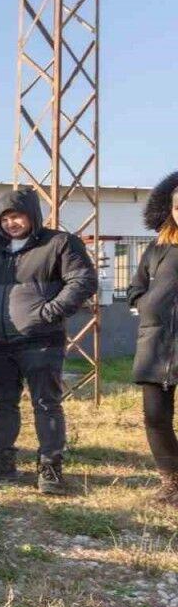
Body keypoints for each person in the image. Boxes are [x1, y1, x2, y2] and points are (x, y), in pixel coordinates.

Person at [0, 188, 96, 495]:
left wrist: (49, 312)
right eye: (5, 218)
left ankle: (50, 468)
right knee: (2, 403)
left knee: (46, 403)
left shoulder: (60, 243)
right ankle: (1, 461)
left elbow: (83, 280)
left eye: (17, 216)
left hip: (41, 341)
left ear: (33, 216)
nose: (11, 223)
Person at [129, 172, 178, 508]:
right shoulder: (157, 247)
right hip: (156, 345)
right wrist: (145, 304)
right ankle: (171, 482)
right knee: (155, 417)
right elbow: (136, 287)